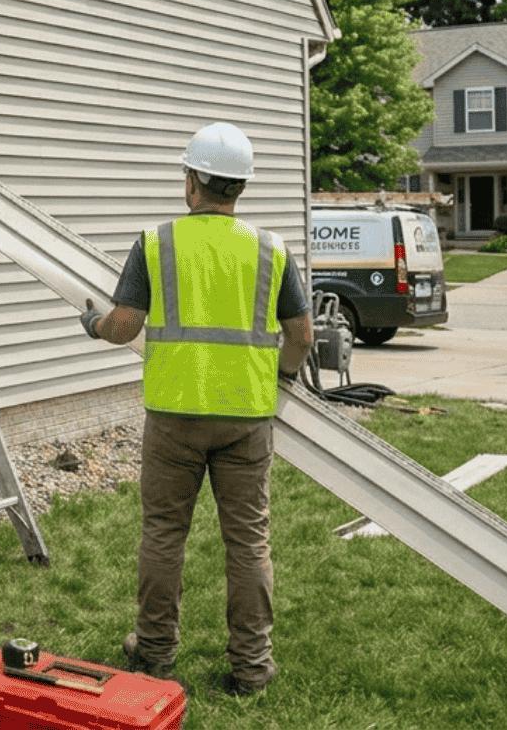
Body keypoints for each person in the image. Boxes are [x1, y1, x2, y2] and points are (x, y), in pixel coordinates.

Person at [78, 122, 313, 696]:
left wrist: (92, 324)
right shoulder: (270, 248)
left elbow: (124, 326)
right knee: (249, 541)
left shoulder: (156, 242)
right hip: (246, 420)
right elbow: (302, 336)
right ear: (239, 187)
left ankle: (155, 653)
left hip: (175, 417)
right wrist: (278, 378)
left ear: (192, 182)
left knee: (163, 534)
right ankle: (252, 667)